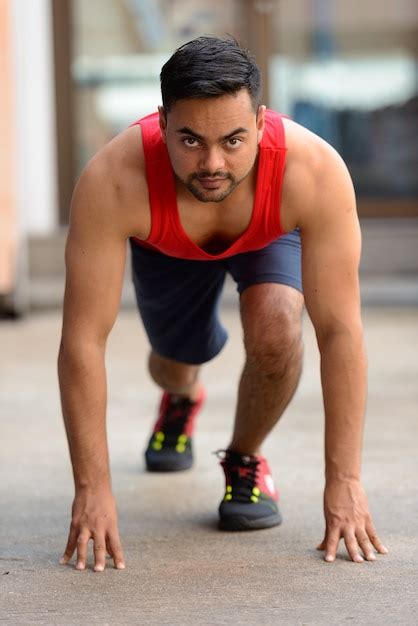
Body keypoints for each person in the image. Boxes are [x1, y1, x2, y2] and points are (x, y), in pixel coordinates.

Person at [58, 36, 388, 573]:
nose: (212, 162)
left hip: (267, 235)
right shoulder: (114, 180)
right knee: (172, 358)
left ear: (261, 121)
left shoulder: (313, 172)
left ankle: (244, 458)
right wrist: (92, 489)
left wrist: (345, 480)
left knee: (279, 325)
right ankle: (182, 396)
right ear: (162, 122)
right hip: (165, 244)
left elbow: (340, 331)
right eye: (190, 140)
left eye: (234, 139)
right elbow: (82, 340)